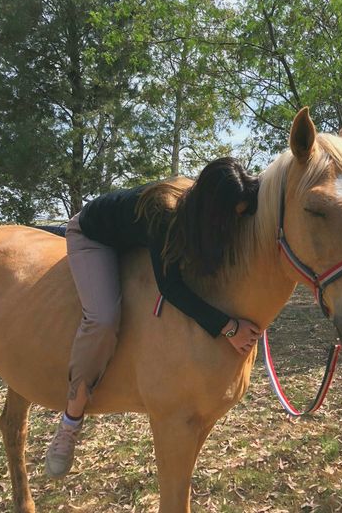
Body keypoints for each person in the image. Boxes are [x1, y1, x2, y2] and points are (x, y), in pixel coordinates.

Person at [45, 157, 261, 479]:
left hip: (134, 236)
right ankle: (70, 423)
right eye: (229, 218)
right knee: (103, 319)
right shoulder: (167, 212)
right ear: (212, 210)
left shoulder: (217, 201)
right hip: (93, 236)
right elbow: (171, 287)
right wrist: (228, 328)